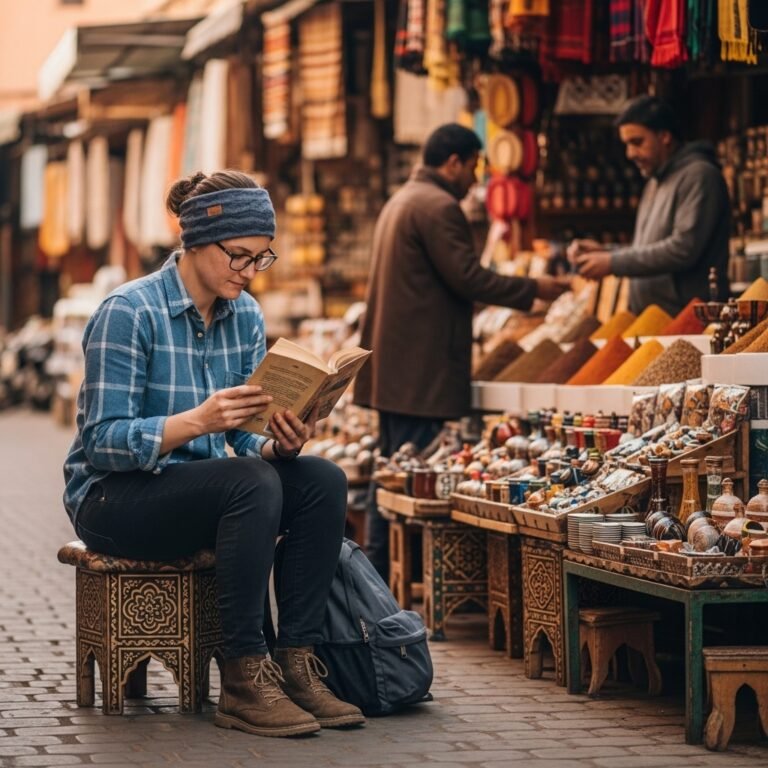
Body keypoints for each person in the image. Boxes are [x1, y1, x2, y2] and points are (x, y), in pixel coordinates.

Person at [63, 170, 365, 738]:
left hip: (202, 489)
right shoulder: (129, 312)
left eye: (260, 259)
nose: (249, 272)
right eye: (238, 256)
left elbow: (243, 438)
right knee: (251, 483)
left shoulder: (244, 315)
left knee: (321, 479)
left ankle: (295, 664)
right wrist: (195, 422)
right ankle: (244, 676)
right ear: (196, 241)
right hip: (114, 498)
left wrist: (276, 441)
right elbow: (102, 440)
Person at [352, 123, 570, 579]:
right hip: (419, 372)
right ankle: (373, 577)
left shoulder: (403, 200)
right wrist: (536, 288)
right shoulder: (438, 206)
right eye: (473, 167)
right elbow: (468, 278)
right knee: (405, 475)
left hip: (400, 369)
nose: (475, 180)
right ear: (453, 161)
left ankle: (370, 576)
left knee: (392, 473)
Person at [568, 95, 731, 316]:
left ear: (664, 136)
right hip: (656, 320)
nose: (630, 154)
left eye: (637, 142)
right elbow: (646, 248)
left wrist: (613, 262)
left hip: (687, 321)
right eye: (626, 145)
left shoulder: (699, 175)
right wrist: (605, 252)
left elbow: (683, 249)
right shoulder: (654, 182)